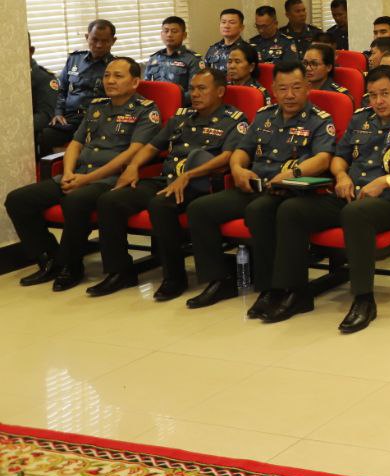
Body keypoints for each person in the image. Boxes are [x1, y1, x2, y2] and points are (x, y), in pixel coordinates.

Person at [266, 66, 390, 330]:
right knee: (292, 209)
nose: (378, 101)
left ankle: (363, 299)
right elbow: (339, 157)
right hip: (350, 194)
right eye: (372, 95)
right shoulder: (360, 119)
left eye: (385, 94)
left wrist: (386, 180)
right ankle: (294, 292)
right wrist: (341, 176)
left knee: (354, 214)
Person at [183, 61, 336, 316]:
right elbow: (242, 150)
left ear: (307, 87)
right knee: (200, 209)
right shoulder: (264, 116)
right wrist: (238, 169)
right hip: (255, 186)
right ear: (273, 89)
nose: (289, 95)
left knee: (259, 211)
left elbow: (323, 160)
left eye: (296, 88)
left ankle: (270, 288)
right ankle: (220, 280)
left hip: (287, 191)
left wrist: (291, 174)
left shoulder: (319, 120)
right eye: (283, 88)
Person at [84, 68, 247, 299]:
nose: (195, 94)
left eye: (202, 89)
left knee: (160, 205)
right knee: (110, 200)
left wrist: (188, 175)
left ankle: (174, 278)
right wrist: (133, 166)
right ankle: (120, 272)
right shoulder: (181, 117)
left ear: (220, 91)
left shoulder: (234, 120)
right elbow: (152, 146)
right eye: (192, 89)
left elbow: (227, 157)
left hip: (200, 183)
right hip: (166, 178)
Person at [6, 57, 161, 290]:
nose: (110, 80)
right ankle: (49, 258)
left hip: (110, 180)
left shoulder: (146, 111)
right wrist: (69, 172)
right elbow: (76, 144)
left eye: (118, 76)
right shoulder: (97, 107)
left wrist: (86, 180)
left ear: (135, 82)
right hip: (77, 174)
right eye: (107, 75)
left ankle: (71, 266)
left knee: (75, 200)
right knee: (17, 200)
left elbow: (132, 154)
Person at [41, 20, 117, 153]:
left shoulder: (118, 66)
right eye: (95, 40)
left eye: (105, 41)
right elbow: (61, 89)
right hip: (71, 118)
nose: (99, 45)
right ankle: (50, 166)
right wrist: (58, 113)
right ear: (87, 37)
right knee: (44, 135)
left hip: (99, 120)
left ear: (113, 41)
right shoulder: (74, 60)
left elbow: (120, 98)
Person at [143, 16, 204, 104]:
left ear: (184, 35)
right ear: (161, 34)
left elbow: (196, 91)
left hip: (180, 107)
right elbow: (146, 87)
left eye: (174, 31)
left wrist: (171, 101)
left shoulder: (193, 59)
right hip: (154, 107)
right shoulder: (154, 58)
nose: (169, 35)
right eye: (166, 31)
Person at [30, 38, 58, 151]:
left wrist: (11, 125)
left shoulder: (44, 78)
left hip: (30, 142)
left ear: (31, 50)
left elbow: (46, 117)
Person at [204, 9, 250, 74]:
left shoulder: (247, 49)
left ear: (241, 27)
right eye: (223, 22)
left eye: (232, 22)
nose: (226, 26)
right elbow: (206, 73)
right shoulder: (213, 49)